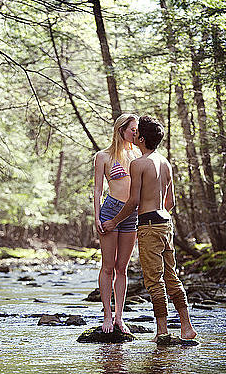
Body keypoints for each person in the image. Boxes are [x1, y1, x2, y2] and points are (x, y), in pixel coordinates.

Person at [102, 115, 197, 341]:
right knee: (171, 276)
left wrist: (114, 222)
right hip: (166, 224)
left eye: (137, 133)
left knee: (154, 280)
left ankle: (162, 331)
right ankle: (187, 327)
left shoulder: (138, 164)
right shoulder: (165, 162)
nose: (133, 135)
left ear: (142, 139)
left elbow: (133, 201)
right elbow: (171, 203)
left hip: (149, 226)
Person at [93, 113, 139, 334]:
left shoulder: (138, 154)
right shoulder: (102, 156)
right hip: (110, 211)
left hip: (132, 214)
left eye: (137, 130)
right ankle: (107, 315)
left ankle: (120, 317)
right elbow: (97, 189)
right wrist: (96, 217)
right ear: (121, 130)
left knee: (122, 268)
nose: (136, 133)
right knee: (108, 267)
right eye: (133, 129)